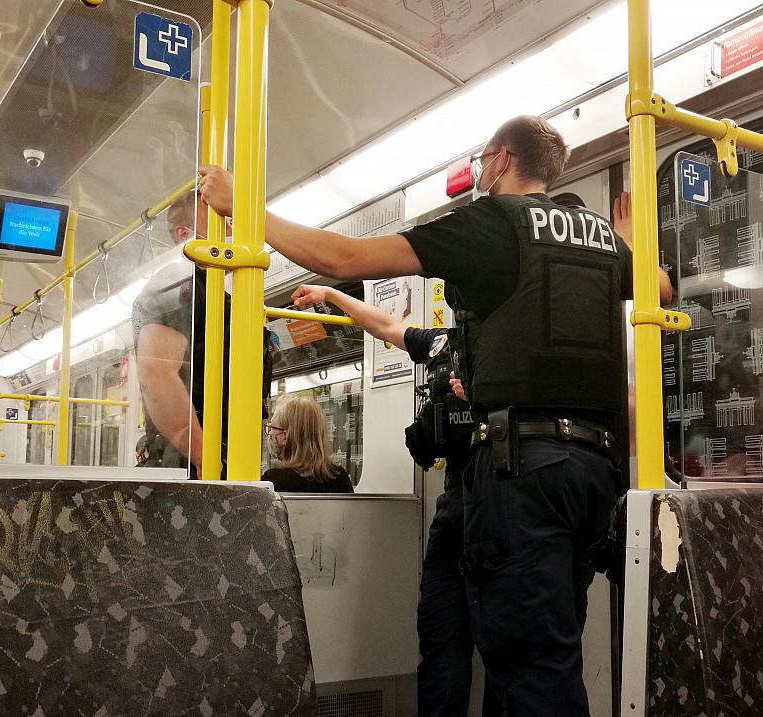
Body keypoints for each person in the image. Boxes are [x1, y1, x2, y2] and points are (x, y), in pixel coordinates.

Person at [198, 114, 672, 715]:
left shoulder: (494, 224)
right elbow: (662, 290)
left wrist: (245, 208)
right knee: (547, 648)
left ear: (502, 159)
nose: (479, 172)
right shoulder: (602, 237)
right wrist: (629, 239)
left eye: (481, 161)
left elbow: (344, 256)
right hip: (597, 475)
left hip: (523, 473)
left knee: (531, 670)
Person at [291, 283, 498, 715]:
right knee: (440, 638)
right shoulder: (443, 343)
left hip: (503, 503)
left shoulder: (506, 353)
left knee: (506, 649)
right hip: (456, 504)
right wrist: (331, 294)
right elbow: (385, 325)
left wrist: (484, 396)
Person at [132, 193, 272, 478]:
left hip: (217, 455)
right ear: (185, 235)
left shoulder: (217, 292)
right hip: (190, 463)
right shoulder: (178, 280)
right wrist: (205, 458)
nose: (231, 231)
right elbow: (157, 372)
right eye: (221, 223)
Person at [262, 395, 354, 493]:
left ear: (285, 436)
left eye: (272, 428)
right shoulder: (340, 477)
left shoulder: (272, 482)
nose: (270, 433)